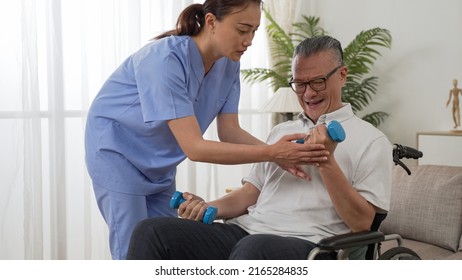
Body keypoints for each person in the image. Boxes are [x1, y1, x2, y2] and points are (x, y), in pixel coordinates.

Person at [85, 0, 329, 260]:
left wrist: (281, 156)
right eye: (243, 29)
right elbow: (194, 148)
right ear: (211, 21)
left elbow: (230, 132)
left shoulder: (229, 64)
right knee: (131, 247)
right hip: (117, 152)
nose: (249, 40)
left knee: (163, 248)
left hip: (158, 163)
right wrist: (273, 153)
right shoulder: (163, 60)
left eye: (255, 31)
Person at [126, 35, 393, 260]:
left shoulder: (372, 141)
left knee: (253, 250)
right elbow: (248, 195)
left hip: (311, 243)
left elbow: (362, 223)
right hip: (247, 232)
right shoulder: (282, 133)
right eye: (299, 84)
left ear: (342, 75)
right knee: (151, 231)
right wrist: (209, 207)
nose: (308, 93)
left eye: (317, 82)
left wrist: (325, 160)